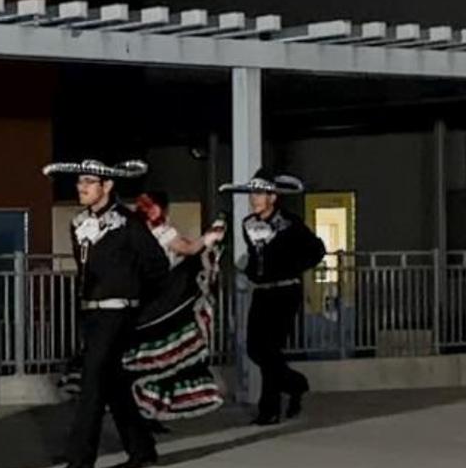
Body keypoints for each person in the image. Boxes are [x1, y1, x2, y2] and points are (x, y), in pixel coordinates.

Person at [42, 159, 167, 468]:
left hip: (118, 311)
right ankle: (142, 449)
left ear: (107, 186)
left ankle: (80, 460)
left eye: (89, 181)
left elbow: (157, 264)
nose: (81, 187)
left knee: (92, 380)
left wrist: (134, 298)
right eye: (79, 181)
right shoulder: (78, 222)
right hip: (91, 311)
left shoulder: (128, 223)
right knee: (112, 383)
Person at [220, 169, 326, 425]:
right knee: (257, 349)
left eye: (260, 193)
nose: (254, 198)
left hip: (285, 291)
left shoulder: (291, 223)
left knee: (270, 349)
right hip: (263, 293)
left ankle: (269, 409)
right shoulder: (249, 224)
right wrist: (252, 270)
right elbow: (257, 258)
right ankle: (296, 384)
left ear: (273, 197)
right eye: (253, 193)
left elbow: (316, 250)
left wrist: (293, 267)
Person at [123, 192, 229, 423]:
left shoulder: (133, 232)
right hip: (164, 302)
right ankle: (151, 408)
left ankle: (147, 408)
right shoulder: (162, 232)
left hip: (142, 302)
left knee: (147, 358)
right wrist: (209, 238)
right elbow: (189, 250)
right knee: (166, 357)